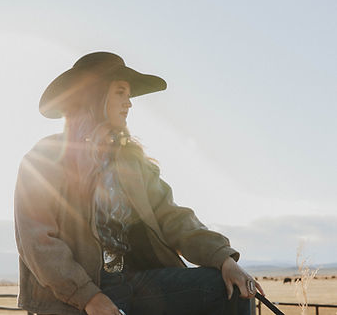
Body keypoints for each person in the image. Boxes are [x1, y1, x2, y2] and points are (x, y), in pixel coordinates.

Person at [14, 52, 264, 315]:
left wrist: (223, 258)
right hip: (76, 296)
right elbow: (38, 243)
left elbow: (172, 217)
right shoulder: (44, 159)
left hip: (133, 282)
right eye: (121, 92)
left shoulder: (131, 162)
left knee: (229, 290)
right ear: (93, 95)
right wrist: (88, 297)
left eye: (129, 95)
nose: (129, 104)